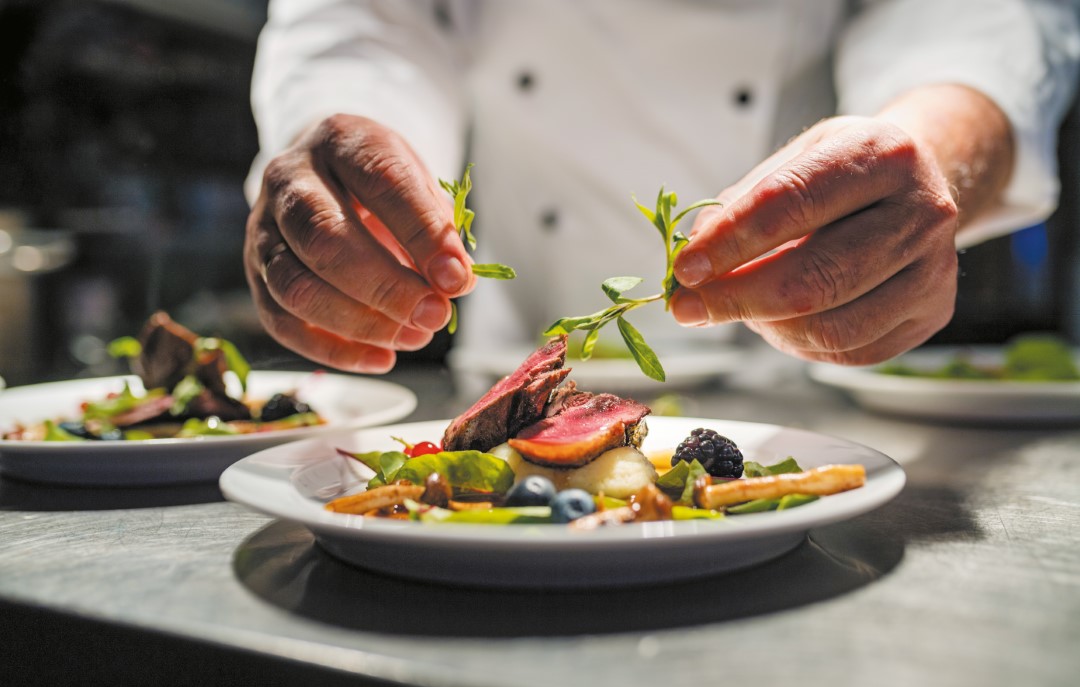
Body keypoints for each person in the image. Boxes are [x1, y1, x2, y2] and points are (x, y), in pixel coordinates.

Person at [244, 0, 1079, 375]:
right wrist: (346, 167)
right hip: (509, 361)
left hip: (791, 383)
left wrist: (932, 143)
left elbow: (980, 18)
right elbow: (359, 24)